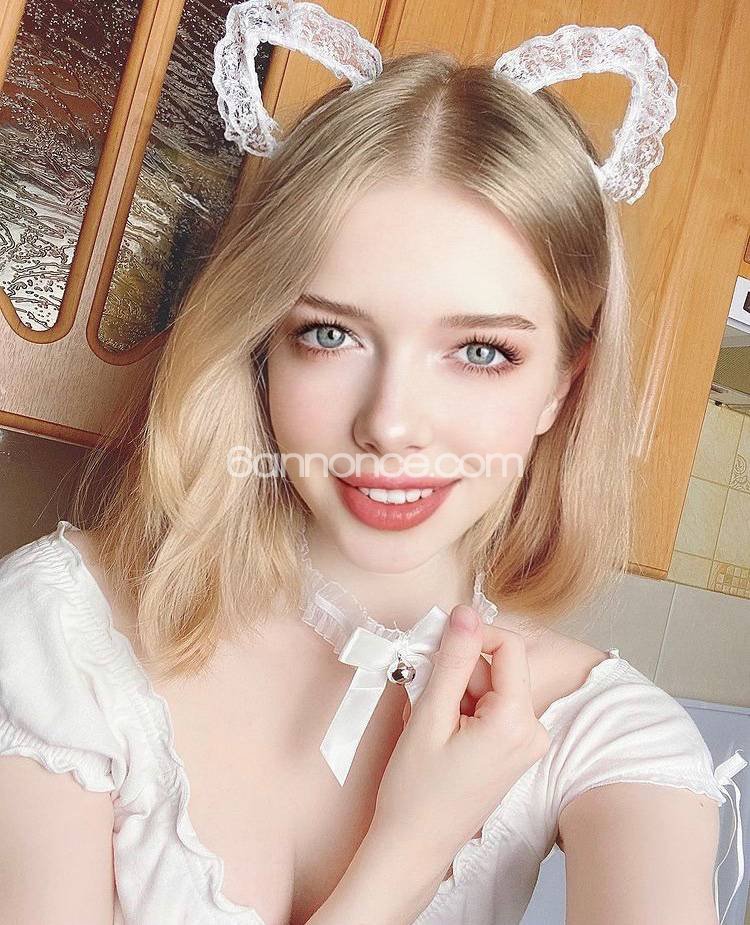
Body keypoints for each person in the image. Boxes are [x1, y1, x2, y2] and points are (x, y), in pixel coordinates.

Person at [0, 11, 745, 925]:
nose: (390, 425)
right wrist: (410, 850)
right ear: (261, 346)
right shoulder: (61, 637)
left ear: (563, 386)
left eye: (481, 351)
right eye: (330, 333)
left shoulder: (607, 735)